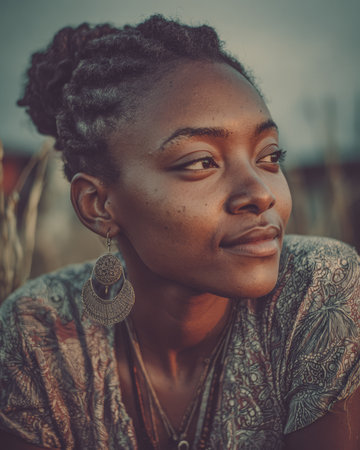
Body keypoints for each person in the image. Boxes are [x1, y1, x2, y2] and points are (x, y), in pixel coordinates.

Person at [0, 15, 359, 450]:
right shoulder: (36, 333)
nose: (260, 194)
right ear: (98, 205)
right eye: (200, 162)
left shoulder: (320, 291)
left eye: (269, 156)